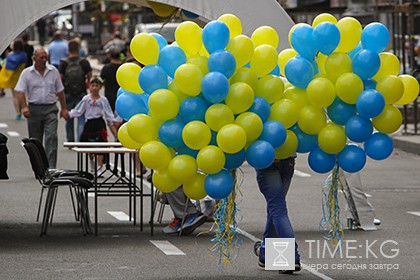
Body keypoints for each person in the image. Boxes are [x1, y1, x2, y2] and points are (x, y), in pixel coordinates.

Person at [15, 48, 68, 169]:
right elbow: (20, 91)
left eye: (46, 57)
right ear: (34, 59)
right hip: (34, 109)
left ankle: (51, 167)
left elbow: (60, 91)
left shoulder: (53, 71)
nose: (44, 60)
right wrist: (24, 107)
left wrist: (63, 108)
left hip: (50, 109)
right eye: (41, 58)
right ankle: (39, 167)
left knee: (51, 137)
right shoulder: (27, 73)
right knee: (35, 141)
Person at [253, 157, 301, 274]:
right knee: (275, 207)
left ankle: (290, 257)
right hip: (288, 159)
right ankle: (266, 254)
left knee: (277, 209)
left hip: (267, 161)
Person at [66, 76, 118, 173]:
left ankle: (99, 167)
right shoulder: (86, 99)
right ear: (89, 87)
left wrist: (113, 121)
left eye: (97, 85)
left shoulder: (103, 100)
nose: (94, 88)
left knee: (100, 146)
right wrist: (69, 114)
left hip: (99, 123)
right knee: (89, 147)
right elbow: (79, 110)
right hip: (89, 123)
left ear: (100, 87)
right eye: (92, 85)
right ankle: (91, 163)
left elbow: (108, 112)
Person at [59, 39, 92, 142]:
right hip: (81, 92)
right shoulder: (83, 62)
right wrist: (87, 84)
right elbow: (89, 75)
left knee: (69, 118)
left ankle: (70, 141)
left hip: (68, 93)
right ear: (78, 49)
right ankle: (80, 141)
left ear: (68, 49)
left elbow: (60, 79)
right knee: (81, 117)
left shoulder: (64, 63)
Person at [0, 39, 28, 120]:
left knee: (14, 95)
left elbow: (5, 64)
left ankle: (18, 113)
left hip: (12, 77)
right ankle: (23, 108)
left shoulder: (10, 56)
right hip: (21, 76)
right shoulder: (24, 55)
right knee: (21, 94)